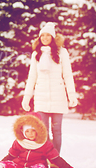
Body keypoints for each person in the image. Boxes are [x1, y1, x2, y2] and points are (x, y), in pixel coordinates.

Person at [21, 22, 77, 156]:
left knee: (56, 131)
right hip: (41, 98)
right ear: (39, 38)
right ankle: (45, 158)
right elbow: (32, 77)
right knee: (42, 131)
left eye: (48, 35)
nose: (45, 38)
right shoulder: (36, 54)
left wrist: (72, 95)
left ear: (53, 37)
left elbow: (68, 75)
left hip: (58, 97)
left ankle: (55, 159)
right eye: (42, 36)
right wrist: (27, 97)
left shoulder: (62, 52)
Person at [0, 113, 79, 168]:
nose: (30, 134)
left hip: (38, 166)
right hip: (20, 165)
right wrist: (2, 163)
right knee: (9, 164)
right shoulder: (19, 142)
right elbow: (11, 156)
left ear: (38, 131)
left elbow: (56, 159)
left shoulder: (45, 144)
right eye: (27, 131)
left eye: (33, 131)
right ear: (23, 132)